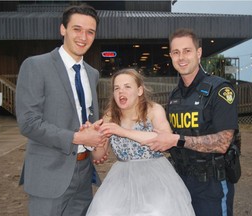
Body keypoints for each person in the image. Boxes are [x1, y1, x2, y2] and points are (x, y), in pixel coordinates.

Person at [16, 4, 106, 216]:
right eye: (77, 29)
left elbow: (89, 120)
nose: (83, 37)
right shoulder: (36, 66)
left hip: (84, 175)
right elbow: (28, 123)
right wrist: (76, 137)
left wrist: (97, 143)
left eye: (90, 31)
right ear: (63, 29)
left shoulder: (92, 74)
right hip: (49, 175)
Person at [142, 28, 241, 216]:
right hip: (180, 180)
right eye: (176, 52)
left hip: (212, 184)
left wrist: (176, 140)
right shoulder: (174, 97)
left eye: (187, 51)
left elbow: (222, 143)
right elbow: (168, 139)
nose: (181, 57)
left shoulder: (220, 90)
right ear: (170, 55)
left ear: (199, 52)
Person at [86, 68, 195, 216]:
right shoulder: (109, 116)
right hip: (121, 176)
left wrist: (122, 131)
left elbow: (164, 139)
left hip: (155, 174)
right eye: (116, 88)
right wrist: (93, 138)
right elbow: (98, 156)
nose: (121, 92)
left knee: (156, 211)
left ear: (139, 91)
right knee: (104, 211)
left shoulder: (154, 110)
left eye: (127, 86)